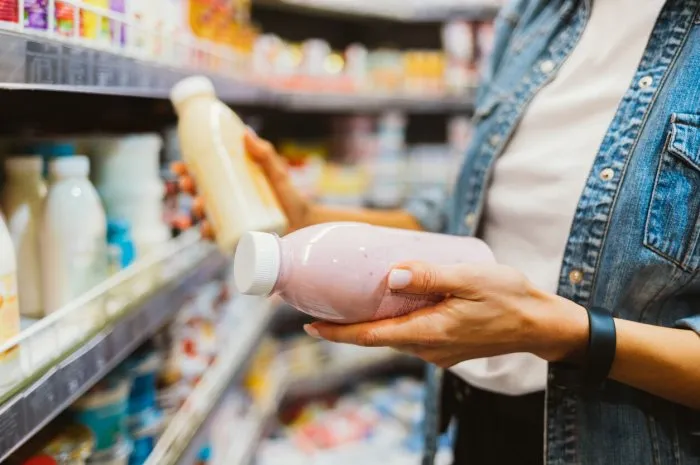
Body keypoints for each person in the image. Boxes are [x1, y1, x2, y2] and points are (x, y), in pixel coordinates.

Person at [174, 0, 700, 463]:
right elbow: (461, 217)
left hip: (624, 440)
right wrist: (304, 219)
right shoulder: (537, 14)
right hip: (477, 417)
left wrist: (562, 332)